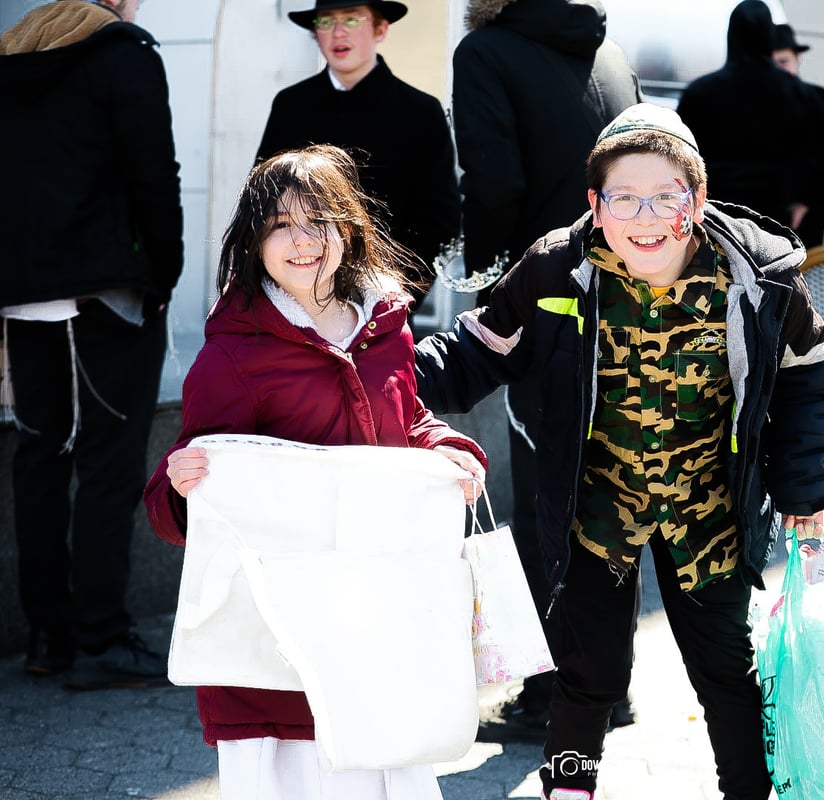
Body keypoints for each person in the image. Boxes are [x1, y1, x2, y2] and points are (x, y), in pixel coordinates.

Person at [414, 103, 824, 800]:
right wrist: (367, 374)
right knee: (588, 677)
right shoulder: (556, 269)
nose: (645, 218)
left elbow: (807, 376)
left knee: (726, 672)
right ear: (595, 203)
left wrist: (802, 491)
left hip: (709, 512)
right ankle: (569, 790)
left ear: (697, 199)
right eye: (623, 198)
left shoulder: (758, 277)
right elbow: (469, 354)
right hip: (596, 511)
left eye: (666, 197)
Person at [142, 145, 487, 799]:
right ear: (254, 242)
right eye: (279, 226)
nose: (301, 242)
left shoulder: (385, 325)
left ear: (348, 228)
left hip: (377, 615)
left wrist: (448, 448)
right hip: (279, 640)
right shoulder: (232, 355)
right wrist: (180, 483)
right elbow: (178, 494)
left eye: (317, 221)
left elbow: (407, 420)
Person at [449, 0, 643, 731]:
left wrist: (489, 285)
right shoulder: (611, 55)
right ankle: (606, 686)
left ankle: (553, 696)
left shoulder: (488, 53)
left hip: (543, 307)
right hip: (627, 304)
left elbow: (492, 183)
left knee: (545, 504)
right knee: (608, 501)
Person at [0, 0, 183, 689]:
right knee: (109, 462)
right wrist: (162, 273)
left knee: (41, 455)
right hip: (106, 292)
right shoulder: (124, 50)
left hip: (24, 294)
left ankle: (49, 633)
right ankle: (101, 638)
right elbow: (154, 175)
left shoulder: (13, 54)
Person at [256, 0, 460, 310]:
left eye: (351, 20)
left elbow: (439, 219)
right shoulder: (291, 106)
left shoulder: (420, 112)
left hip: (384, 300)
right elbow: (261, 202)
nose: (338, 32)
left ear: (381, 28)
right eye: (325, 22)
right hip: (293, 299)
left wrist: (395, 295)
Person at [676, 0, 820, 245]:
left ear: (731, 35)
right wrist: (804, 200)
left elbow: (679, 156)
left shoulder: (700, 93)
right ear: (768, 36)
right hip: (776, 218)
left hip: (715, 216)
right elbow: (818, 155)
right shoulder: (797, 93)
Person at [770, 23, 824, 248]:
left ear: (798, 59)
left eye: (784, 62)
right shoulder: (756, 104)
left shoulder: (822, 100)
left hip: (809, 223)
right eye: (772, 63)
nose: (778, 70)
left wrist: (810, 203)